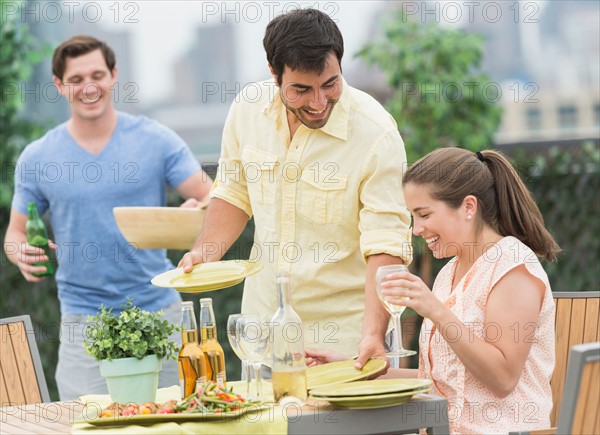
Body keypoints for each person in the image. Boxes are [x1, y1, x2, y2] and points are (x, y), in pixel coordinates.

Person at [180, 9, 412, 369]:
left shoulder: (376, 134)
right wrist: (203, 253)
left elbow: (386, 246)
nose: (319, 103)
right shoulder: (246, 110)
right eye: (302, 89)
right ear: (275, 74)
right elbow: (233, 193)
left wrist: (372, 335)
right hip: (261, 338)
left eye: (330, 84)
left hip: (344, 344)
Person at [4, 35, 212, 400]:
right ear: (59, 85)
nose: (88, 87)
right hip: (83, 323)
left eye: (97, 75)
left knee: (178, 418)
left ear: (114, 75)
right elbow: (15, 234)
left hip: (159, 313)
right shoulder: (38, 157)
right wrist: (18, 251)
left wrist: (199, 210)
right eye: (76, 79)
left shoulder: (156, 140)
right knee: (84, 421)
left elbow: (212, 196)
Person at [306, 147, 559, 433]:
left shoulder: (511, 267)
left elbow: (503, 379)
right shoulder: (450, 273)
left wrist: (435, 310)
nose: (416, 229)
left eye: (424, 214)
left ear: (468, 207)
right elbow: (440, 379)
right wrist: (353, 370)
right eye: (413, 216)